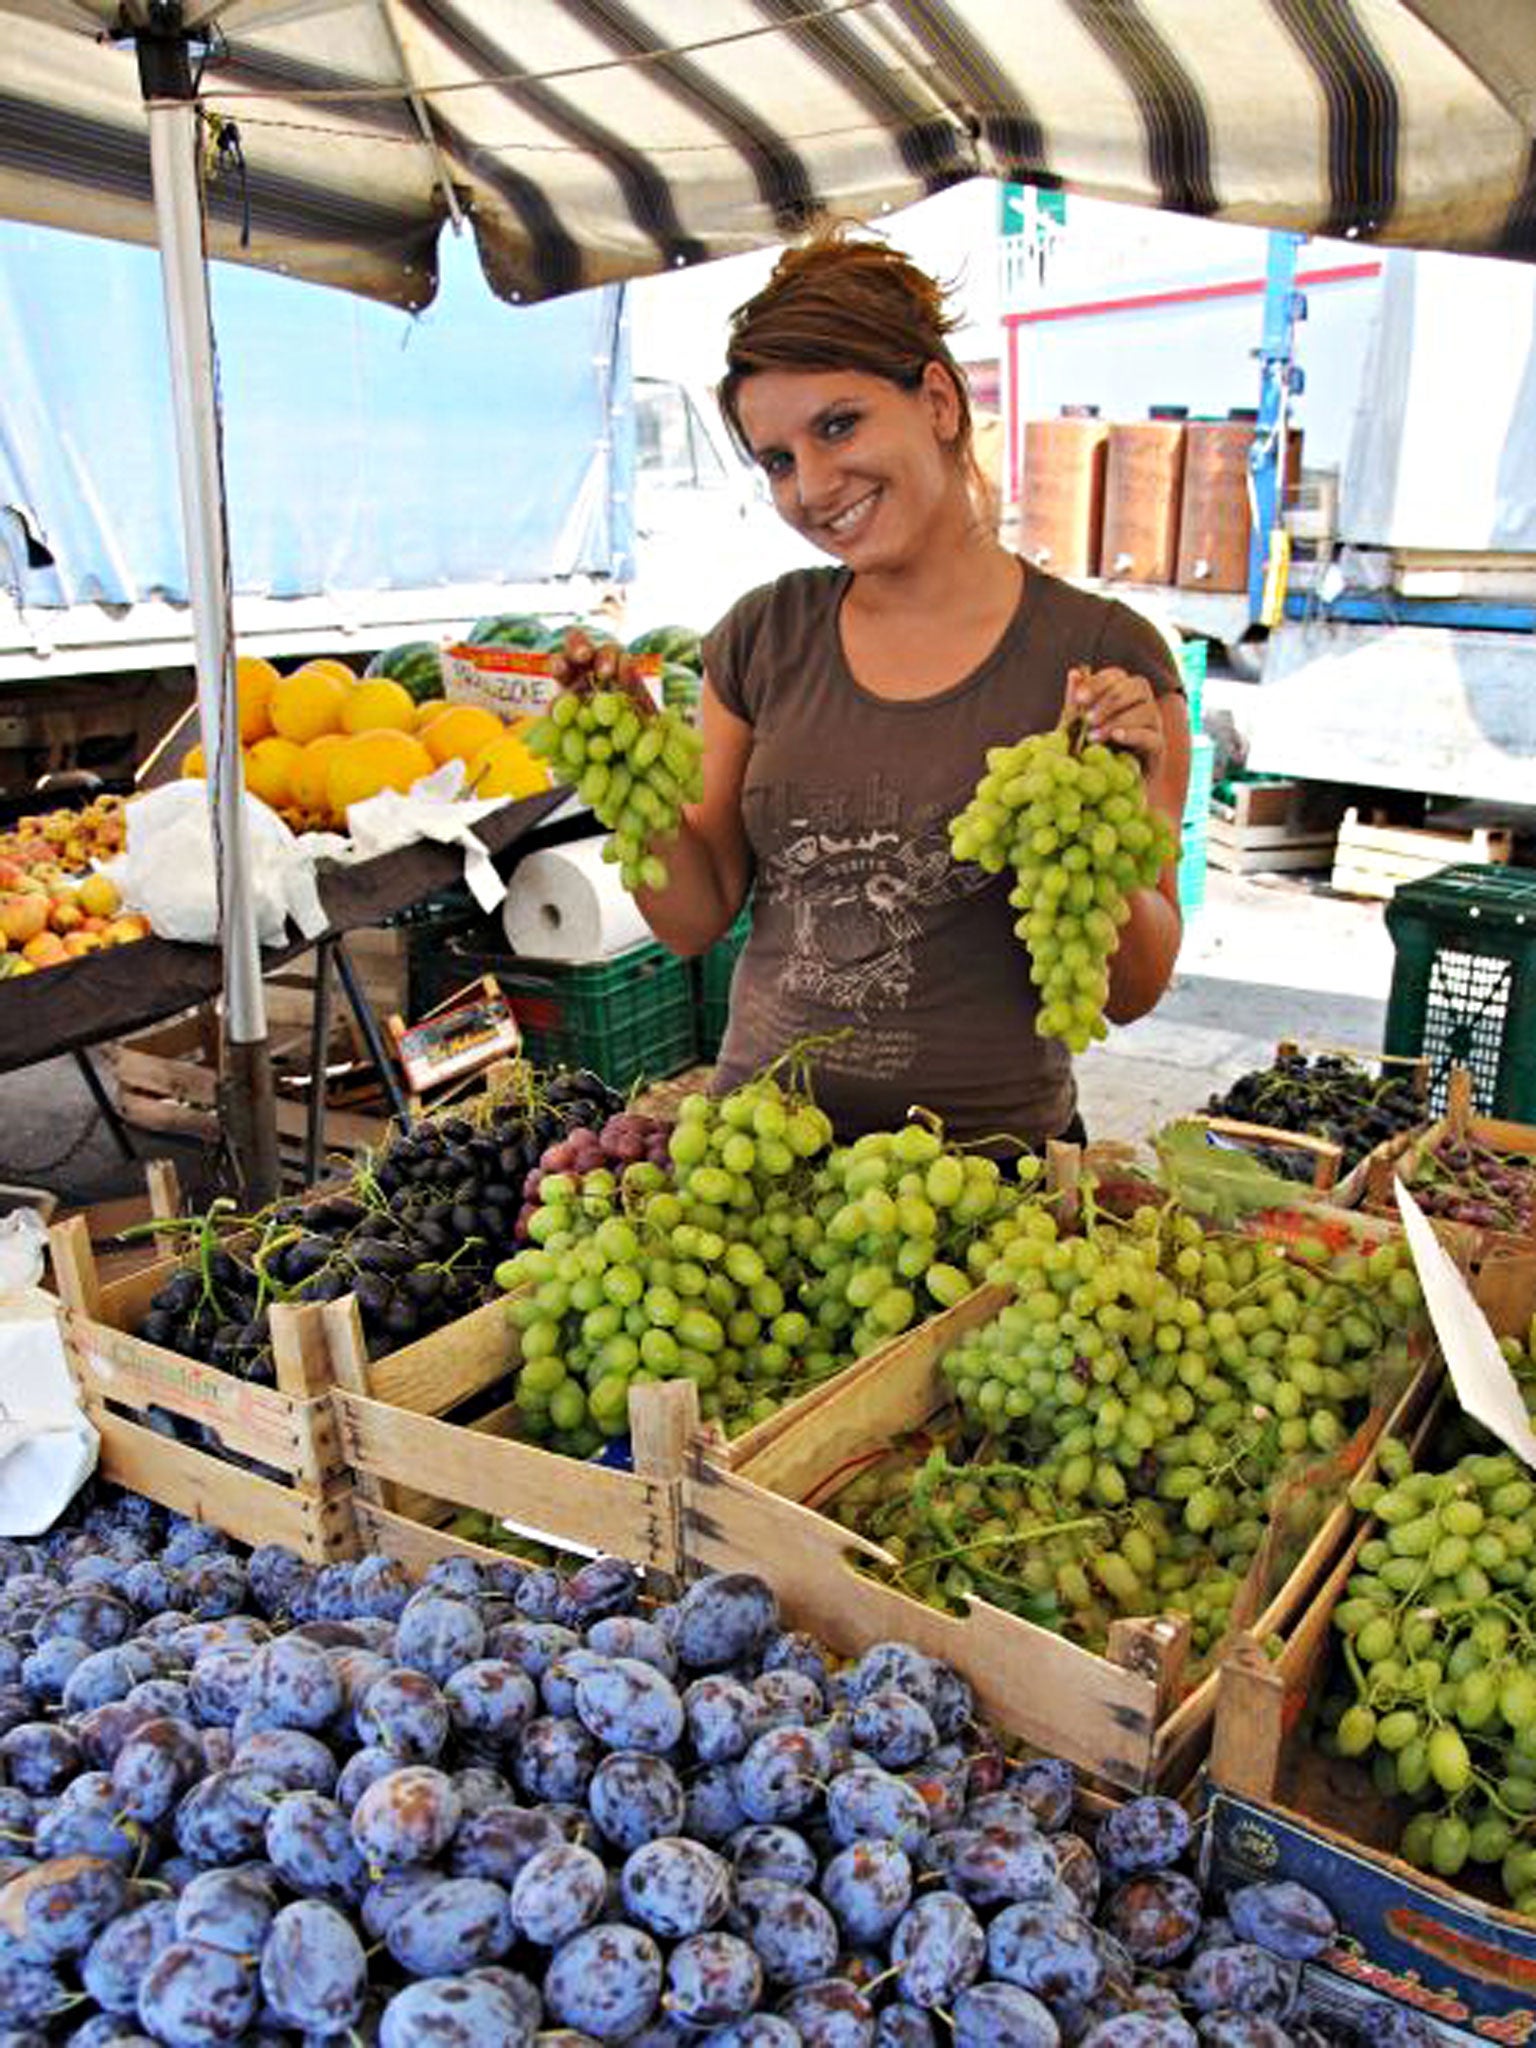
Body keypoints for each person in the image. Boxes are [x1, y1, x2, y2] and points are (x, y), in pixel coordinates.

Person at [637, 226, 1190, 1150]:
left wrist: (1111, 822)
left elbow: (1130, 993)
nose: (812, 485)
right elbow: (694, 921)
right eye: (777, 460)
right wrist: (632, 779)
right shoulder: (761, 637)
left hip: (982, 1189)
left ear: (936, 400)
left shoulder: (1101, 657)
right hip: (756, 1174)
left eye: (839, 424)